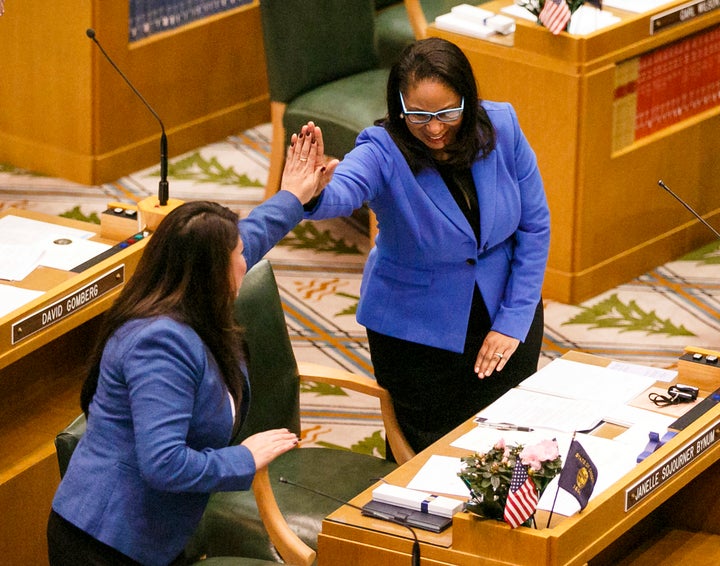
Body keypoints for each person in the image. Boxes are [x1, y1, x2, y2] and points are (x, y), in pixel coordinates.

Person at [46, 126, 330, 566]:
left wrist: (293, 194)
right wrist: (243, 459)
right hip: (107, 542)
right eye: (236, 257)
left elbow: (250, 235)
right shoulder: (161, 343)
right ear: (209, 273)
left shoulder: (192, 285)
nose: (246, 261)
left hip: (154, 535)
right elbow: (164, 463)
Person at [301, 37, 550, 456]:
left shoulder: (503, 126)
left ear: (467, 101)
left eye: (447, 113)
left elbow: (535, 226)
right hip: (418, 335)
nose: (434, 128)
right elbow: (342, 191)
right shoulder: (381, 148)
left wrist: (513, 320)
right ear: (399, 105)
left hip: (506, 311)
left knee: (511, 443)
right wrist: (313, 192)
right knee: (433, 460)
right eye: (418, 115)